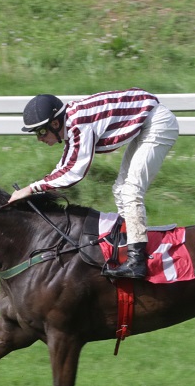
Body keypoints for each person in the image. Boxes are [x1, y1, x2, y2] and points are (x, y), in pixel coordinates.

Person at [9, 88, 179, 279]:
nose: (39, 139)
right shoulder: (72, 124)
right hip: (146, 119)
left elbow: (74, 173)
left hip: (157, 123)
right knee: (120, 189)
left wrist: (31, 188)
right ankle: (125, 246)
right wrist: (34, 188)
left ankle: (136, 262)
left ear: (56, 123)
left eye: (41, 132)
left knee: (131, 192)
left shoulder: (78, 126)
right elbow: (64, 166)